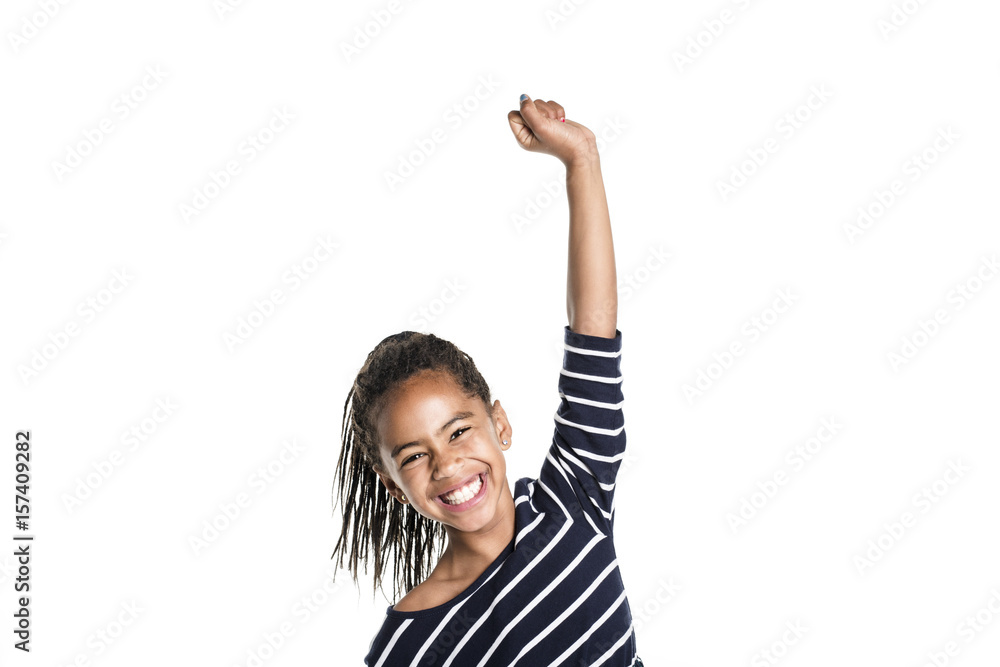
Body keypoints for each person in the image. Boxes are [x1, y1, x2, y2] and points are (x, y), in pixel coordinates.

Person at [332, 93, 643, 666]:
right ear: (389, 478)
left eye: (457, 432)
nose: (447, 466)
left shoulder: (571, 501)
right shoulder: (408, 648)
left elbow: (593, 333)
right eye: (414, 456)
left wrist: (582, 159)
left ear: (498, 422)